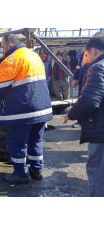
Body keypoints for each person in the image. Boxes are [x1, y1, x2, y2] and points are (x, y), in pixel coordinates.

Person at [0, 34, 53, 184]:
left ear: (9, 44)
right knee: (36, 141)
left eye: (2, 46)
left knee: (18, 143)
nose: (2, 50)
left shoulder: (12, 60)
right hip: (42, 108)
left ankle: (20, 174)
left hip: (22, 111)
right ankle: (36, 170)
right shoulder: (33, 55)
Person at [64, 36, 104, 196]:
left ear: (93, 51)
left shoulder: (98, 68)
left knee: (98, 176)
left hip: (101, 132)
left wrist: (71, 113)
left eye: (86, 54)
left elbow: (89, 101)